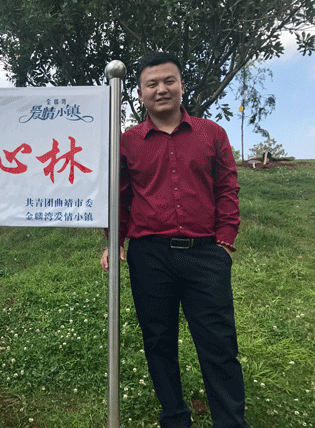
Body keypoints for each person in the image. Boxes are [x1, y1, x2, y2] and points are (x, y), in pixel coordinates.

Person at [100, 52, 250, 428]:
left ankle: (231, 422)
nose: (161, 89)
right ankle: (175, 417)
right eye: (151, 84)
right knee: (158, 341)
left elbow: (227, 188)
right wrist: (114, 241)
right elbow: (120, 196)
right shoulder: (127, 142)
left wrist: (225, 242)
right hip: (149, 256)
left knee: (219, 345)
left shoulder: (211, 133)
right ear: (140, 94)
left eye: (169, 81)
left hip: (206, 254)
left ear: (182, 86)